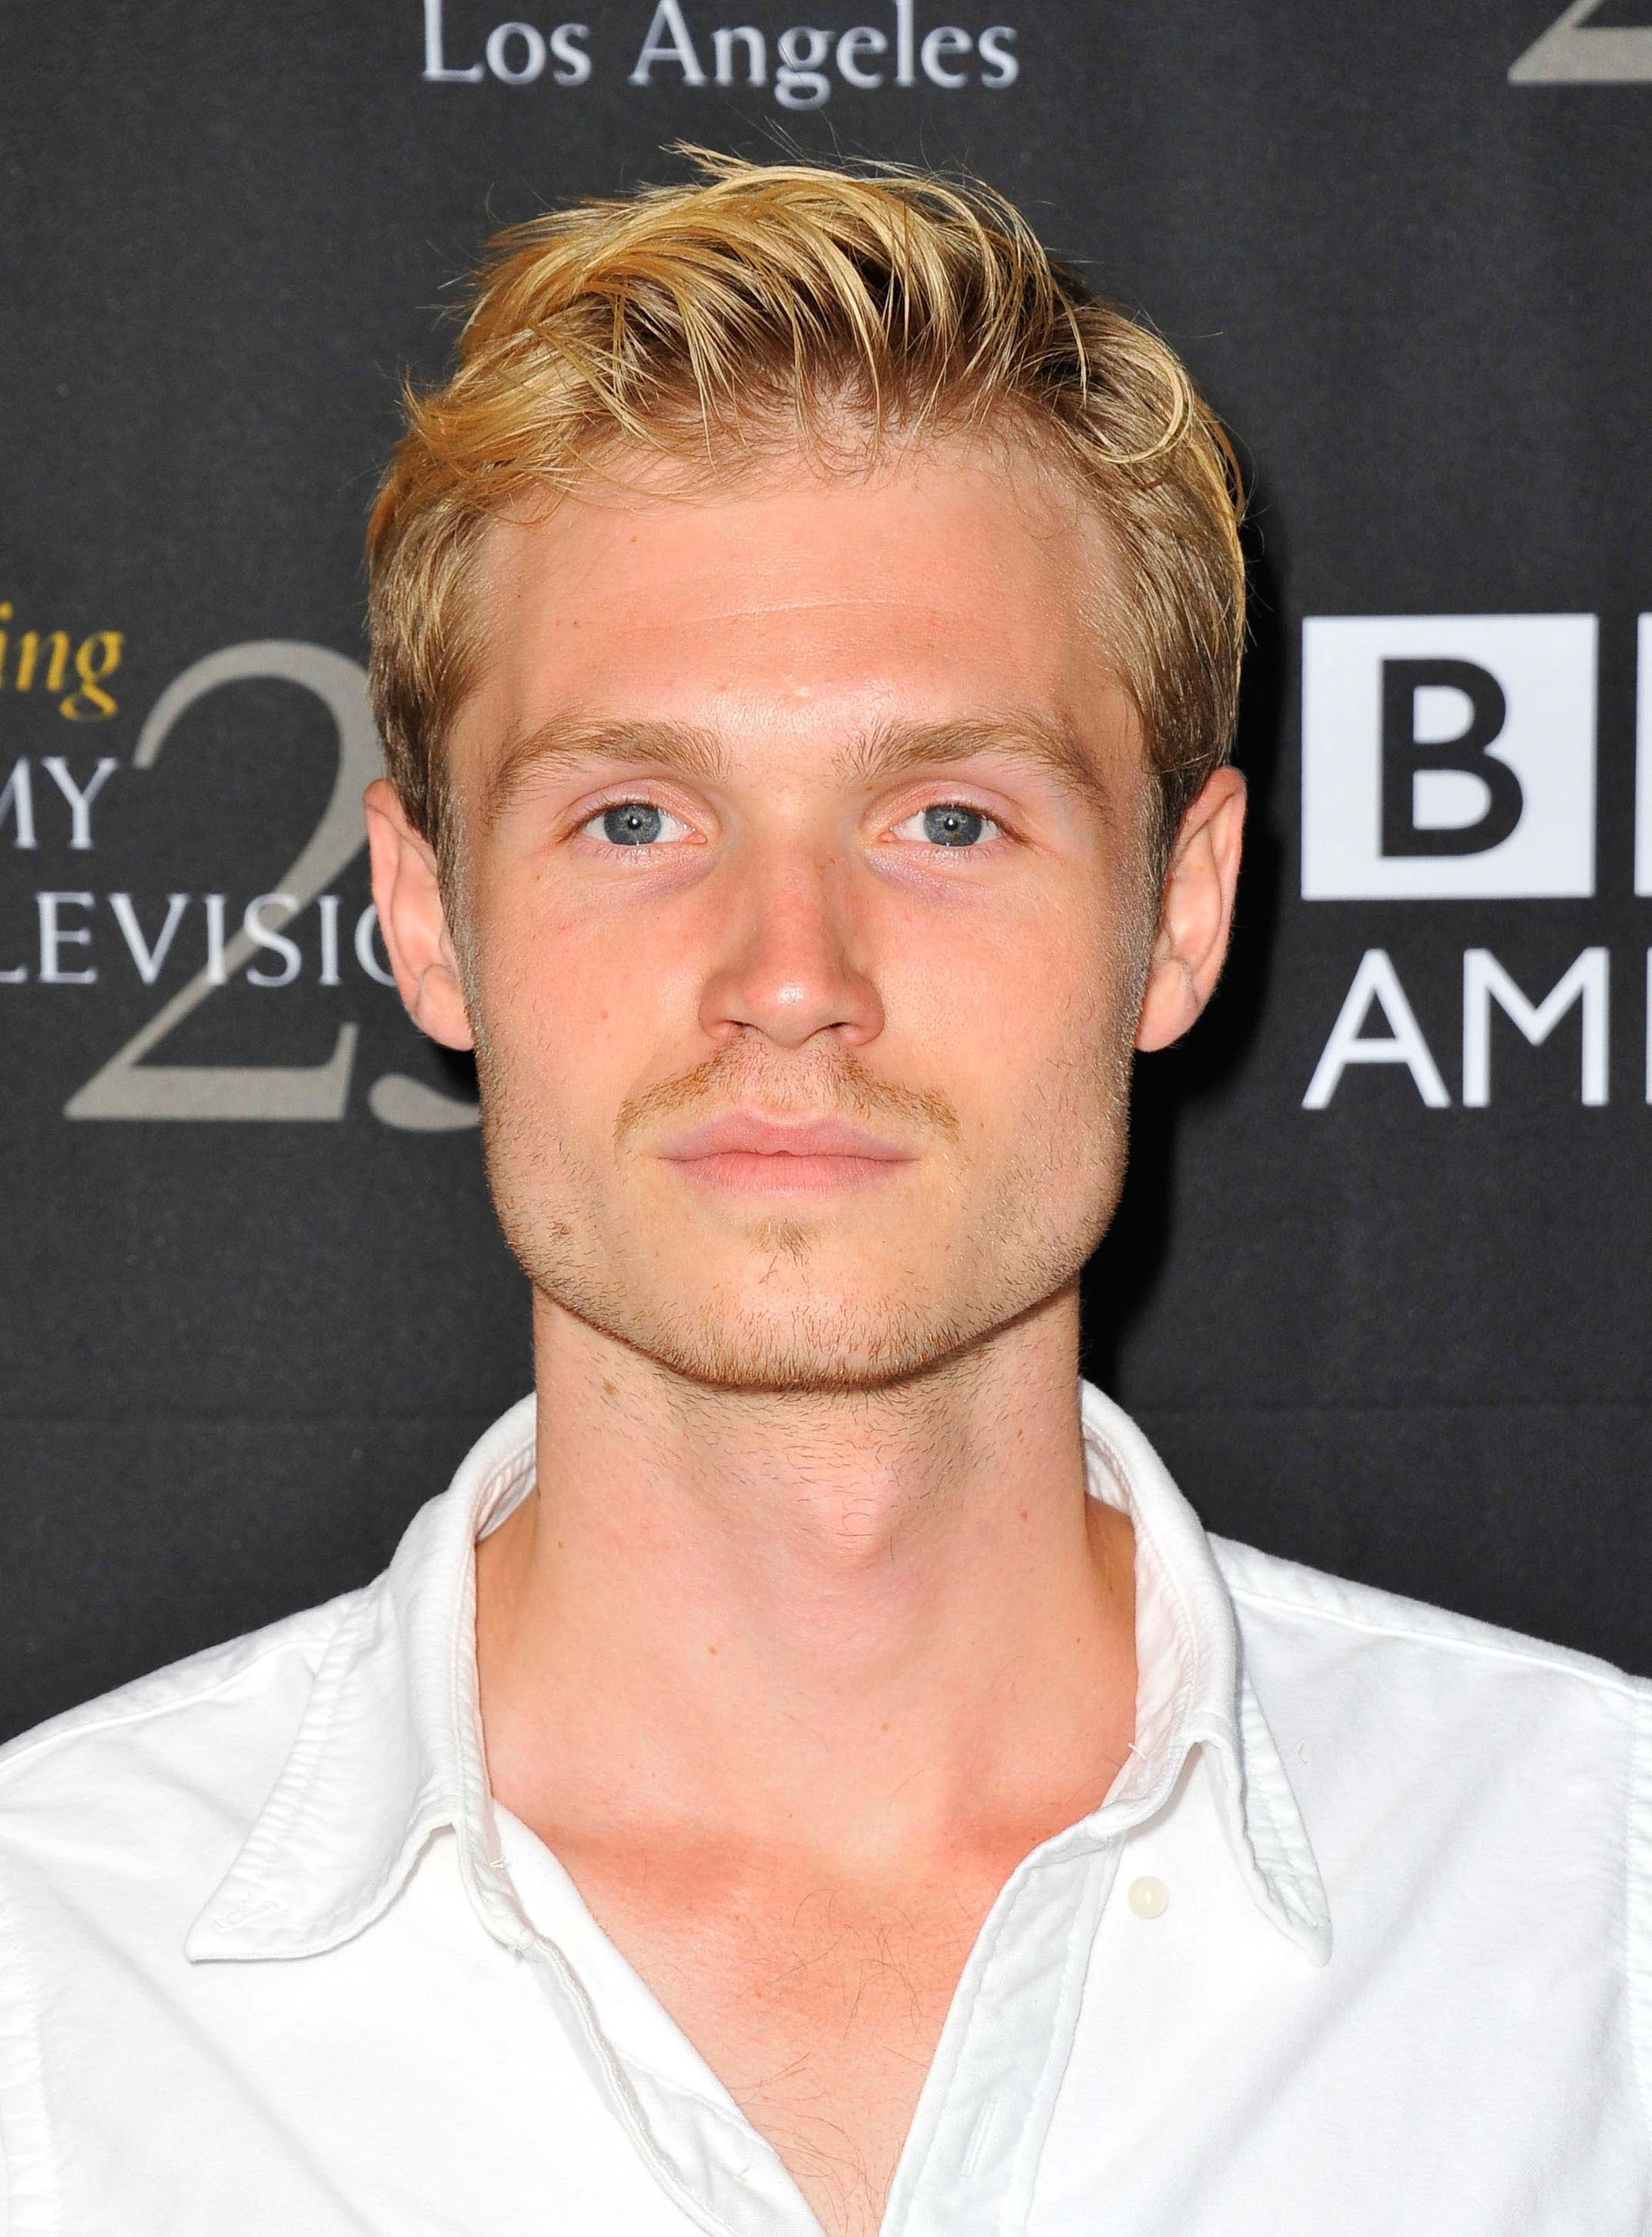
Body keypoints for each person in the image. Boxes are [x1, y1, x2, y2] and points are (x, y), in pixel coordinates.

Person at [0, 150, 1646, 2237]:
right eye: (631, 818)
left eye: (946, 817)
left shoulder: (1598, 1925)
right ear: (425, 916)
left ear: (1181, 911)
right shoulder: (49, 1986)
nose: (791, 974)